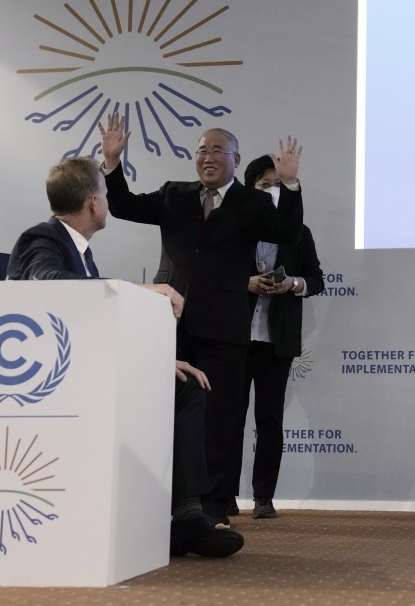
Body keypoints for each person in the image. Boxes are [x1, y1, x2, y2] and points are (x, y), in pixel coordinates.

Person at [7, 157, 245, 559]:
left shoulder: (79, 252)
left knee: (183, 388)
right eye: (104, 190)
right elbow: (49, 286)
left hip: (82, 366)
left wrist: (153, 360)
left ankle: (183, 515)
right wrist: (141, 288)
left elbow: (92, 324)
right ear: (93, 203)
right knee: (181, 393)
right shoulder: (43, 239)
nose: (107, 200)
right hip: (46, 378)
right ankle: (182, 517)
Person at [97, 114, 305, 536]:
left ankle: (213, 505)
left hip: (225, 328)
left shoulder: (255, 203)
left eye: (216, 150)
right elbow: (123, 206)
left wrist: (290, 185)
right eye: (201, 151)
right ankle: (169, 503)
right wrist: (112, 162)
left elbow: (288, 231)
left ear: (235, 158)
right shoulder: (175, 194)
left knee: (220, 420)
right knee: (168, 416)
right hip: (171, 326)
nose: (207, 158)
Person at [222, 155, 324, 520]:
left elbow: (316, 279)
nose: (272, 192)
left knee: (269, 421)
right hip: (233, 338)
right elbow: (212, 276)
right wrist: (245, 283)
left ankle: (263, 498)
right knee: (228, 419)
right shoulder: (234, 228)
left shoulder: (300, 232)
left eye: (279, 185)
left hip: (276, 340)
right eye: (265, 185)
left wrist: (293, 283)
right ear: (250, 189)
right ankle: (224, 496)